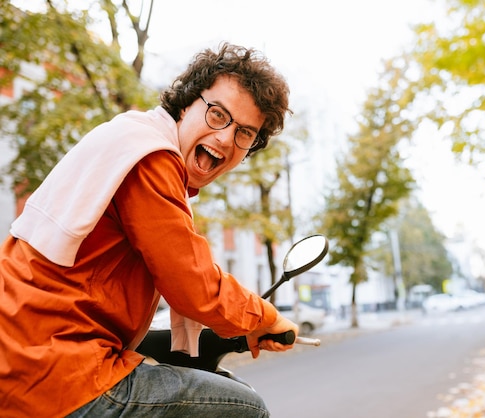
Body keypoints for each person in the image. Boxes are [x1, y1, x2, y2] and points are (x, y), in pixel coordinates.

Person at [0, 42, 297, 418]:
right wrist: (265, 317)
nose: (226, 138)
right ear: (187, 103)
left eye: (245, 134)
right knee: (244, 408)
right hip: (57, 372)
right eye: (218, 115)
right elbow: (192, 283)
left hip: (21, 355)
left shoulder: (129, 137)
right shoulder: (151, 159)